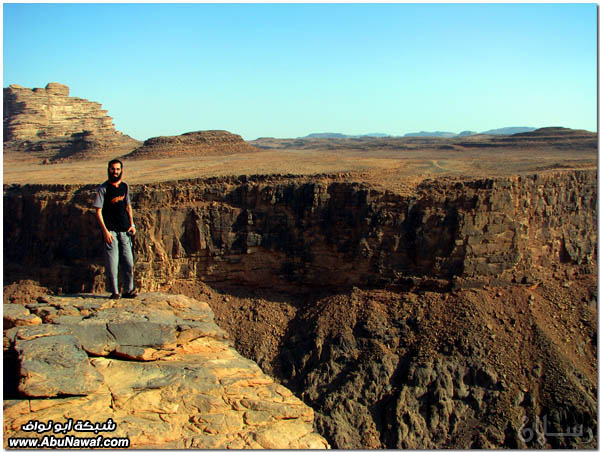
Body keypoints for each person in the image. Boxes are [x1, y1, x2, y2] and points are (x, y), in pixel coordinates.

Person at [93, 159, 138, 299]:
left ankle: (128, 290)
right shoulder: (103, 189)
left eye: (118, 169)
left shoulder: (125, 186)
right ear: (108, 169)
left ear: (121, 170)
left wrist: (132, 224)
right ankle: (115, 292)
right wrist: (105, 231)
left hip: (125, 230)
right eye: (113, 169)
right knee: (113, 263)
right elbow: (98, 211)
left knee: (129, 262)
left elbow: (128, 206)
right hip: (110, 231)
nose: (115, 171)